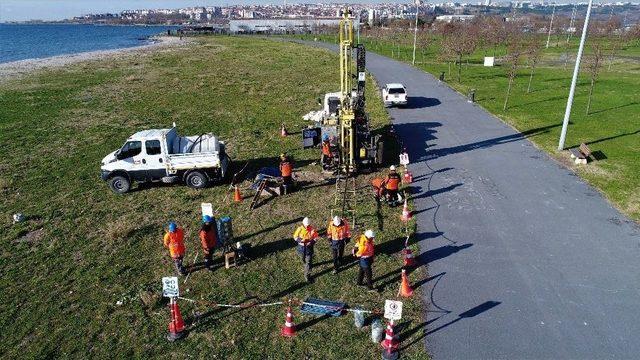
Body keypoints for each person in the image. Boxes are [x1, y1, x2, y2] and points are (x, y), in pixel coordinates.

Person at [293, 217, 318, 283]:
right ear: (303, 224)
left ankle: (307, 276)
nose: (307, 226)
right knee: (303, 258)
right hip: (301, 248)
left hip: (309, 248)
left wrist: (311, 242)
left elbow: (316, 237)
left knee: (308, 262)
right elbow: (295, 237)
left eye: (308, 225)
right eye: (306, 225)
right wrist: (301, 240)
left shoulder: (312, 229)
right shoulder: (300, 229)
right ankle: (305, 263)